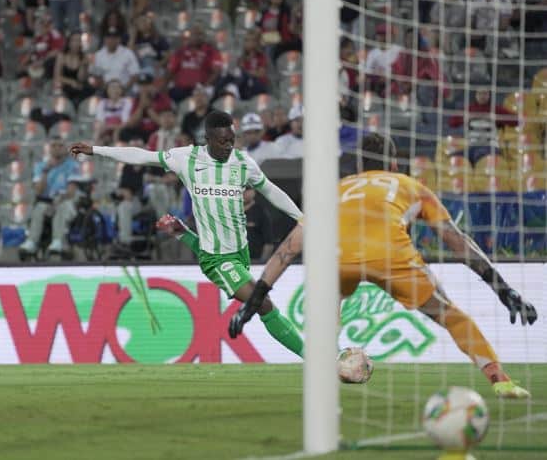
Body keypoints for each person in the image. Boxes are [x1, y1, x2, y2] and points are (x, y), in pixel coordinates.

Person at [228, 133, 536, 398]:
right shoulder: (408, 184)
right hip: (391, 256)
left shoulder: (337, 189)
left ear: (359, 166)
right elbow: (456, 241)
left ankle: (328, 367)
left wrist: (256, 297)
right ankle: (500, 381)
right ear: (393, 164)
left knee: (330, 300)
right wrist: (503, 289)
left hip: (337, 258)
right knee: (449, 315)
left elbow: (289, 247)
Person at [70, 110, 305, 358]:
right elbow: (141, 156)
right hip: (217, 260)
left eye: (231, 141)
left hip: (240, 253)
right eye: (222, 142)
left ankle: (184, 234)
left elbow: (270, 190)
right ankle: (318, 359)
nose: (228, 147)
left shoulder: (243, 162)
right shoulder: (186, 158)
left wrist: (301, 218)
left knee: (261, 304)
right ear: (208, 139)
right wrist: (96, 150)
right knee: (263, 304)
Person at [19, 136, 82, 257]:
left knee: (62, 206)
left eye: (60, 146)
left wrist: (57, 201)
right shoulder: (41, 166)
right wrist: (45, 172)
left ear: (65, 149)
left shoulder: (72, 166)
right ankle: (32, 241)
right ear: (49, 149)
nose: (57, 148)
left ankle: (57, 240)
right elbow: (38, 191)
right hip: (47, 201)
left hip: (67, 201)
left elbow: (71, 192)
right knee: (39, 208)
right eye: (54, 146)